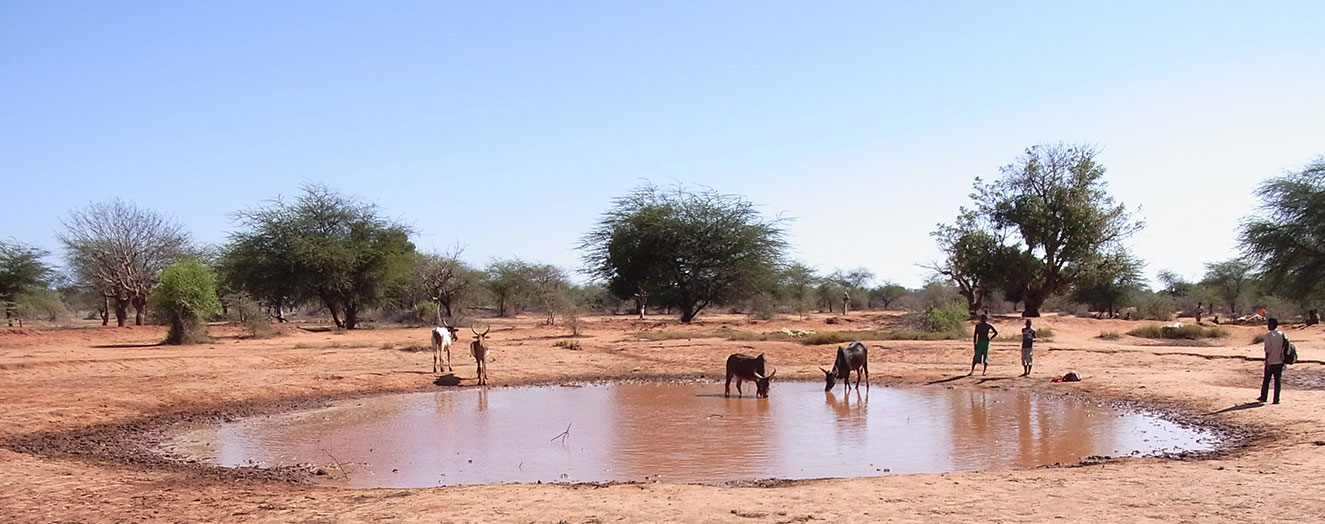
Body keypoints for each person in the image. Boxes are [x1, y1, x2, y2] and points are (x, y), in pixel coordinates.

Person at [1258, 318, 1287, 404]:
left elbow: (1268, 350)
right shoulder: (1282, 334)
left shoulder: (1268, 336)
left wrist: (1266, 362)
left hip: (1271, 361)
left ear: (1271, 325)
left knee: (1266, 380)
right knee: (1277, 380)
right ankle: (1276, 399)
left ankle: (1264, 397)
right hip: (1280, 360)